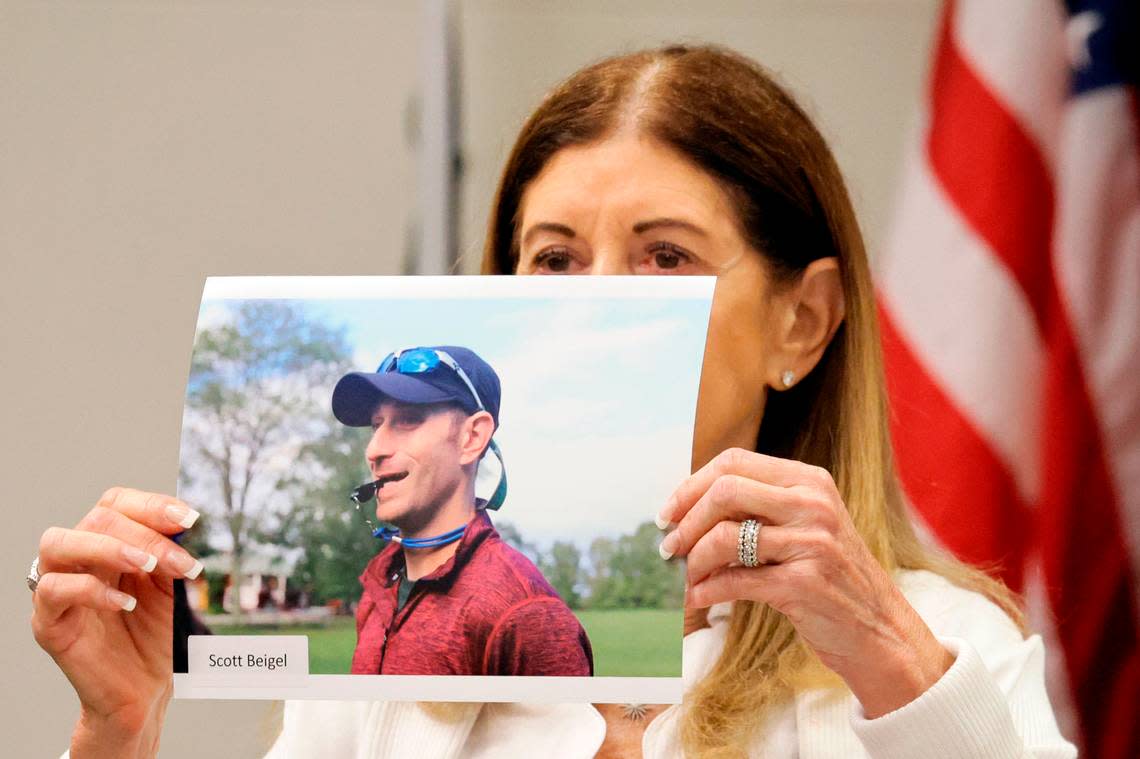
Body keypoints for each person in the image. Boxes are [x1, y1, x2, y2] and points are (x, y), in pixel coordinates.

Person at [29, 44, 1076, 758]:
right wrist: (115, 736)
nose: (602, 306)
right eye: (554, 261)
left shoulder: (940, 650)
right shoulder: (377, 655)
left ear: (801, 321)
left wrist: (888, 658)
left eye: (666, 256)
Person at [330, 344, 593, 676]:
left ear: (472, 437)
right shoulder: (378, 589)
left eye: (408, 420)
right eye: (376, 425)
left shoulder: (526, 616)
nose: (374, 449)